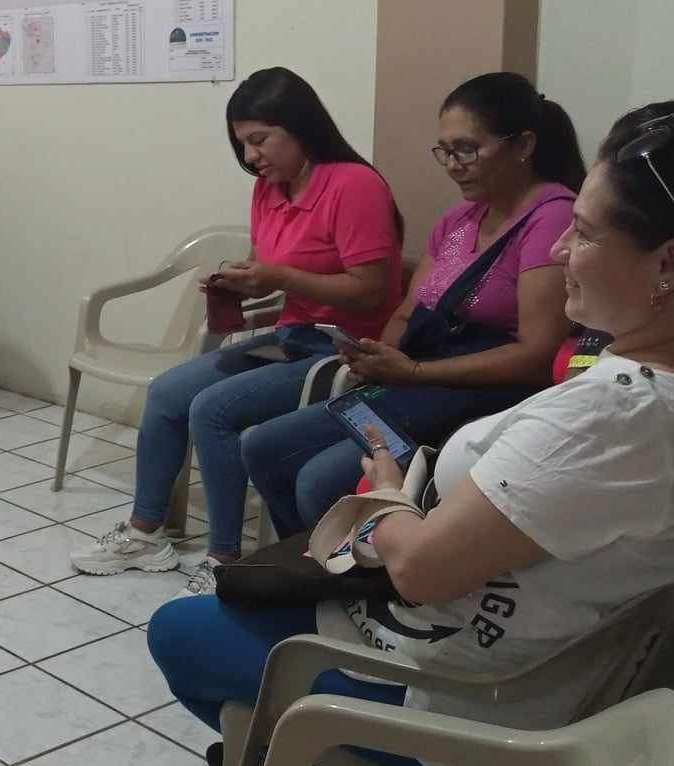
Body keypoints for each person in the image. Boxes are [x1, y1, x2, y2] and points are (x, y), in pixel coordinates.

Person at [147, 101, 674, 766]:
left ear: (665, 266)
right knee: (251, 476)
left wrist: (388, 494)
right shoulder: (624, 395)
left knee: (178, 631)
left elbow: (421, 571)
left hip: (474, 703)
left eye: (586, 233)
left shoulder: (617, 416)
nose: (562, 247)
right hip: (521, 657)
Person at [71, 67, 403, 577]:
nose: (250, 156)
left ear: (300, 126)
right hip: (292, 337)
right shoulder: (269, 189)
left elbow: (371, 289)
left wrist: (279, 277)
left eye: (259, 140)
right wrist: (242, 282)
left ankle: (225, 558)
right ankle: (145, 534)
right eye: (242, 144)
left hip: (344, 352)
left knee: (212, 410)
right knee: (166, 393)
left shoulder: (354, 186)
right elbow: (272, 270)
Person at [242, 72, 581, 540]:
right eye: (445, 151)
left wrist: (416, 372)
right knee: (263, 446)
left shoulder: (552, 217)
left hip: (485, 396)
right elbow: (406, 311)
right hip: (418, 382)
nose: (453, 165)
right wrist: (377, 356)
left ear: (523, 145)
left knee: (319, 481)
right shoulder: (459, 219)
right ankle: (309, 565)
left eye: (467, 150)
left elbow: (537, 354)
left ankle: (358, 572)